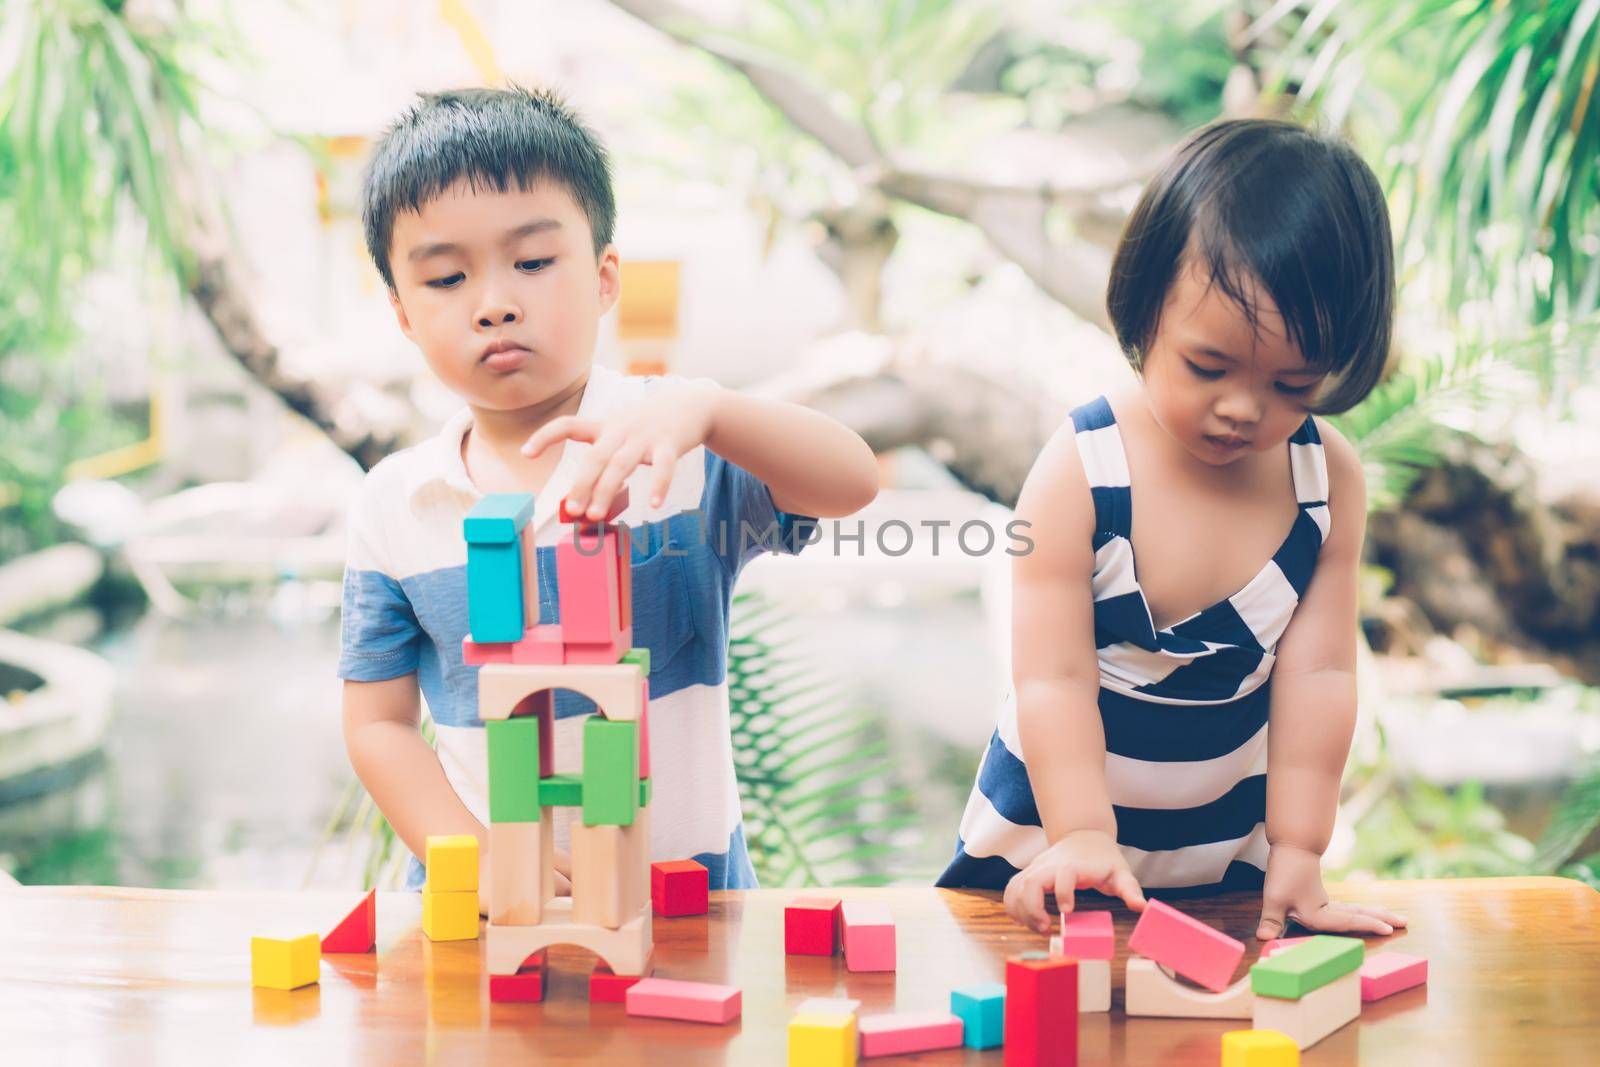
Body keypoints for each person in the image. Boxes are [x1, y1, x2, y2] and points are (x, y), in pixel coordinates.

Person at [339, 85, 878, 894]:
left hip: (692, 905)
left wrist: (714, 410)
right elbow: (378, 725)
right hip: (491, 915)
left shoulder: (678, 448)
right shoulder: (395, 503)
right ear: (403, 314)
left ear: (603, 278)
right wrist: (480, 860)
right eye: (447, 277)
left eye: (532, 261)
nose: (494, 304)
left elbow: (851, 481)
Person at [939, 119, 1408, 943]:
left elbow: (1322, 674)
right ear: (1145, 307)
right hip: (1049, 847)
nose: (1243, 406)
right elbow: (1051, 679)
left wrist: (1298, 846)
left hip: (1218, 855)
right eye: (1208, 366)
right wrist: (1082, 833)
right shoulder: (1082, 469)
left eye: (1293, 383)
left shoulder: (1324, 481)